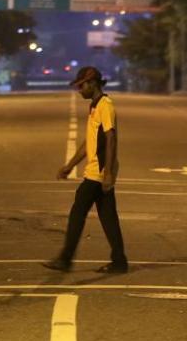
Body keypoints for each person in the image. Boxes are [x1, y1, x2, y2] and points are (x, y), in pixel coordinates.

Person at [43, 66, 128, 274]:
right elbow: (88, 143)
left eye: (81, 86)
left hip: (98, 173)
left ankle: (65, 258)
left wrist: (107, 172)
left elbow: (111, 138)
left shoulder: (105, 106)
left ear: (92, 83)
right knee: (108, 217)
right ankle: (119, 261)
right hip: (98, 171)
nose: (79, 90)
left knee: (77, 212)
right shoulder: (95, 106)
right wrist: (70, 165)